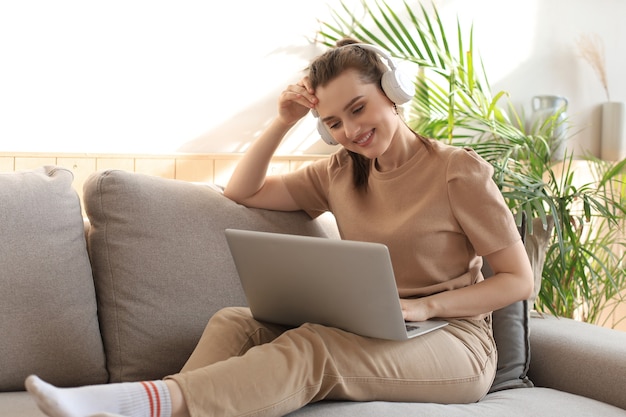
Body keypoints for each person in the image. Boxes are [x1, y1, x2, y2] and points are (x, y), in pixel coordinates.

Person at [25, 38, 534, 417]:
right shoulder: (339, 172)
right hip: (372, 327)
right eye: (333, 123)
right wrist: (284, 120)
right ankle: (154, 405)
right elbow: (243, 191)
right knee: (234, 320)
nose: (351, 131)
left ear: (392, 92)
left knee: (313, 347)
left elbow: (518, 280)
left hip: (454, 344)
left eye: (358, 108)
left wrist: (426, 305)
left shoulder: (457, 171)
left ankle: (146, 402)